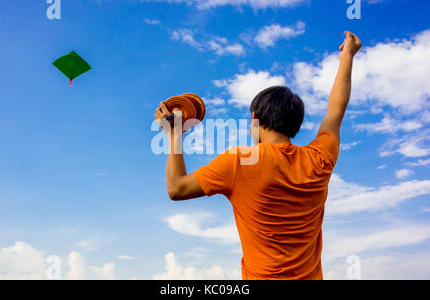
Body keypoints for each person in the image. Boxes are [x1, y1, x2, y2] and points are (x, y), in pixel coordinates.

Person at [154, 32, 362, 280]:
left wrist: (174, 134)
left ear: (255, 120)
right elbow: (336, 110)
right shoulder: (320, 159)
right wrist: (347, 56)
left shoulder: (239, 162)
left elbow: (176, 188)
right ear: (296, 123)